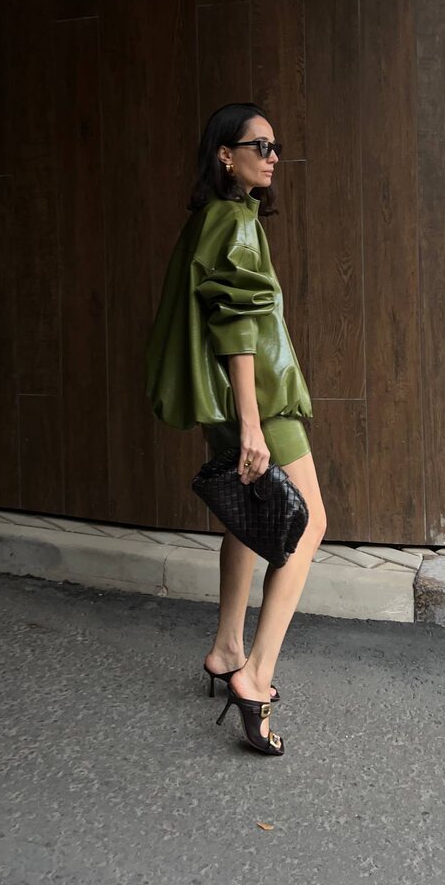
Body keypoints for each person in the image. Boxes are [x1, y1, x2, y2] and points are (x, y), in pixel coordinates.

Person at [144, 101, 328, 757]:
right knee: (309, 523)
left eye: (276, 147)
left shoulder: (210, 219)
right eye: (260, 146)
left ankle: (227, 649)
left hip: (229, 404)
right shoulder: (236, 220)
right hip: (259, 405)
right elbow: (237, 325)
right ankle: (257, 675)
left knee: (246, 521)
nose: (273, 157)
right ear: (226, 155)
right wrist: (253, 424)